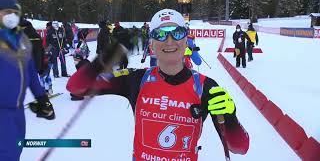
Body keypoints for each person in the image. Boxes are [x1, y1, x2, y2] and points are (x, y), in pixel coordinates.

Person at [66, 9, 249, 161]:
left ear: (186, 41)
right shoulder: (136, 79)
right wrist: (109, 55)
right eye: (160, 34)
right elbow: (76, 87)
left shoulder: (205, 87)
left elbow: (240, 148)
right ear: (152, 44)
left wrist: (231, 117)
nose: (169, 40)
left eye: (176, 33)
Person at [0, 0, 55, 161]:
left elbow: (30, 73)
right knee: (7, 154)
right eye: (6, 12)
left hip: (17, 110)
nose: (11, 16)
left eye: (15, 12)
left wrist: (42, 98)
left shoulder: (22, 41)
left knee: (17, 148)